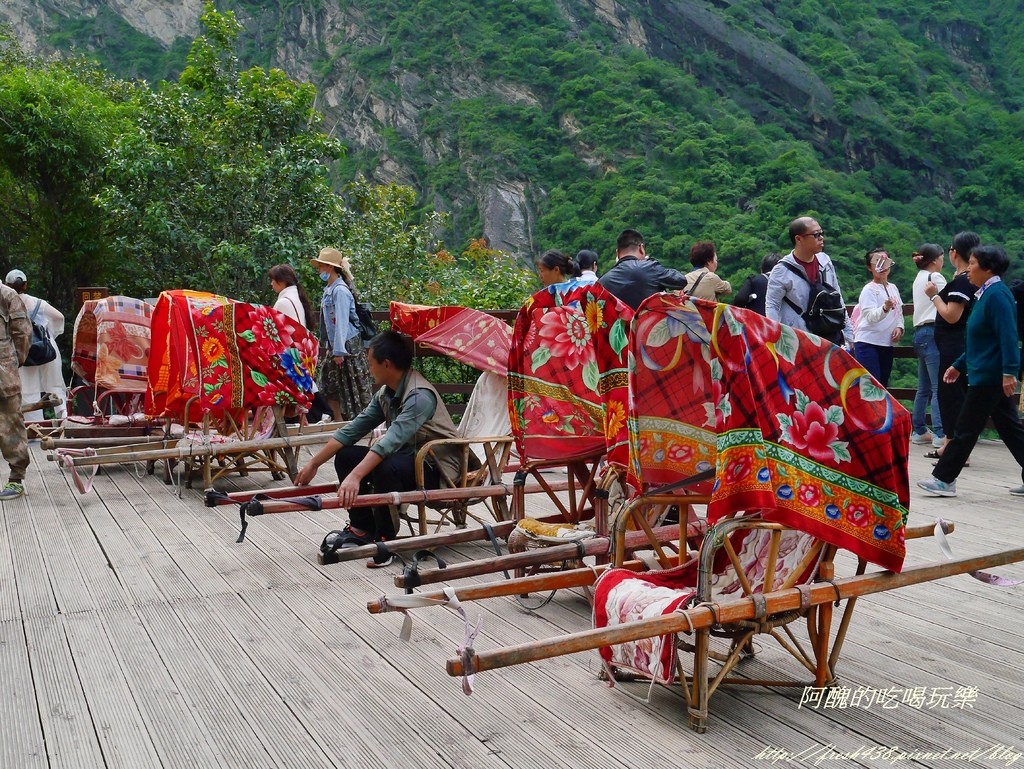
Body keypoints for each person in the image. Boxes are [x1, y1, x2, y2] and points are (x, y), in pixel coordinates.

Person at [294, 331, 465, 566]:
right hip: (407, 460)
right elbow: (352, 430)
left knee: (385, 466)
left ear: (387, 364)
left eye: (371, 363)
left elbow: (390, 441)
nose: (368, 369)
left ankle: (385, 539)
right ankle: (361, 528)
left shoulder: (420, 397)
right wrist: (314, 463)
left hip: (438, 470)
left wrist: (356, 476)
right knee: (347, 456)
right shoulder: (386, 393)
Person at [917, 245, 1024, 498]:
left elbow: (1008, 336)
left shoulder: (997, 295)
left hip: (990, 376)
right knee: (1010, 428)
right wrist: (959, 364)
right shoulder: (987, 293)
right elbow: (980, 340)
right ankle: (944, 479)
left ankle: (944, 479)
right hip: (985, 371)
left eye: (973, 264)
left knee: (965, 428)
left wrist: (1009, 372)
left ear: (988, 269)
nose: (967, 270)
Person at [925, 232, 980, 461]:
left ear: (953, 253)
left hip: (953, 347)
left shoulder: (962, 282)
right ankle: (949, 445)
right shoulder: (966, 279)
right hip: (955, 345)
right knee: (951, 395)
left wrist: (934, 296)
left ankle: (957, 448)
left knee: (951, 395)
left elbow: (951, 316)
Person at [765, 216, 855, 347]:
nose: (821, 238)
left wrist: (848, 332)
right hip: (799, 340)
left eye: (821, 233)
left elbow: (837, 296)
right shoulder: (782, 270)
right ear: (799, 239)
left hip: (829, 336)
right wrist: (775, 337)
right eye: (815, 234)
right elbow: (772, 305)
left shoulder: (825, 261)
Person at [310, 247, 373, 422]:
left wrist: (339, 351)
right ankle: (338, 421)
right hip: (336, 345)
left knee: (353, 388)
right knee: (330, 385)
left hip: (347, 345)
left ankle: (358, 423)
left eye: (321, 266)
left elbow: (342, 323)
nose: (319, 270)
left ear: (329, 267)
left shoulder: (340, 291)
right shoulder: (330, 289)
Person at [269, 263, 332, 423]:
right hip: (300, 350)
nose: (271, 284)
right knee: (306, 386)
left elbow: (278, 332)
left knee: (295, 390)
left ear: (281, 282)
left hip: (290, 353)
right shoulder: (295, 296)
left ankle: (316, 415)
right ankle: (322, 413)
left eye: (273, 280)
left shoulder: (283, 301)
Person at [4, 269, 66, 421]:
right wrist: (50, 333)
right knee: (55, 386)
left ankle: (36, 428)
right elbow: (59, 317)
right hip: (46, 348)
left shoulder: (6, 305)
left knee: (29, 392)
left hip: (24, 350)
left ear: (7, 286)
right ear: (25, 285)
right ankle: (65, 421)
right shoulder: (38, 302)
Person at [908, 244, 947, 449]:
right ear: (934, 260)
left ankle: (919, 430)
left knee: (923, 388)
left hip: (919, 333)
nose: (943, 261)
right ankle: (941, 434)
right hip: (933, 332)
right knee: (938, 387)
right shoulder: (935, 278)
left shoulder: (919, 278)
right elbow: (951, 302)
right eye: (941, 257)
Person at [599, 229, 688, 310]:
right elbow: (680, 280)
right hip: (649, 326)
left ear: (617, 253)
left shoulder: (602, 281)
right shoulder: (650, 268)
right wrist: (649, 261)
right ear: (641, 248)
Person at [852, 249, 904, 387]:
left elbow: (899, 312)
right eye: (877, 262)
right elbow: (870, 317)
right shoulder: (868, 290)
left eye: (885, 262)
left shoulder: (893, 288)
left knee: (882, 387)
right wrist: (885, 308)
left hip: (886, 343)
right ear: (870, 267)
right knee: (871, 387)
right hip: (868, 342)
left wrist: (899, 327)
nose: (882, 266)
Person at [0, 282, 31, 500]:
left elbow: (23, 334)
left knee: (11, 424)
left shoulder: (7, 296)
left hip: (3, 374)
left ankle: (16, 479)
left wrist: (13, 363)